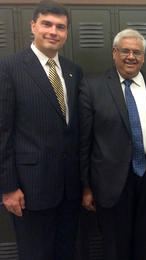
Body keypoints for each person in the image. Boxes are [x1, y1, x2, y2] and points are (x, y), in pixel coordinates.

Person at [0, 1, 83, 259]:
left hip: (69, 190)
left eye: (60, 27)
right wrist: (8, 187)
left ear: (66, 32)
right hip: (30, 190)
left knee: (65, 252)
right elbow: (2, 132)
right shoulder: (9, 67)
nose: (53, 31)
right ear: (33, 26)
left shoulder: (73, 71)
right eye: (47, 24)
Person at [79, 28, 146, 260]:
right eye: (125, 51)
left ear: (143, 56)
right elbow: (84, 142)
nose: (131, 56)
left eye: (137, 52)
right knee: (116, 247)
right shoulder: (92, 87)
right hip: (110, 181)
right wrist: (86, 187)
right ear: (114, 52)